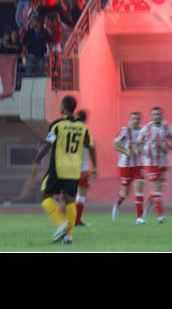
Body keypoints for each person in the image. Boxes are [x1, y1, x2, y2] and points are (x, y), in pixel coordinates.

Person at [29, 95, 96, 244]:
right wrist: (95, 167)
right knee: (70, 199)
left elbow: (47, 144)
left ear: (64, 107)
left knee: (45, 195)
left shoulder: (57, 125)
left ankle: (61, 225)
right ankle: (68, 236)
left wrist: (36, 160)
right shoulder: (82, 127)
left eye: (60, 105)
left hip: (58, 167)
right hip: (74, 169)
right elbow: (91, 146)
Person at [139, 106, 172, 224]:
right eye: (154, 114)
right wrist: (142, 150)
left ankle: (147, 206)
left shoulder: (167, 128)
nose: (157, 116)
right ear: (151, 116)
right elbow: (138, 143)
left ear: (162, 115)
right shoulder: (146, 129)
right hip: (151, 162)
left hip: (164, 162)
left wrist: (167, 146)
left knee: (158, 190)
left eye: (159, 114)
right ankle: (160, 215)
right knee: (157, 190)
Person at [111, 111, 145, 223]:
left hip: (138, 165)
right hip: (125, 166)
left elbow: (145, 144)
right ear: (130, 119)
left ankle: (139, 217)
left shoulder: (143, 131)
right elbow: (115, 145)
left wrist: (140, 150)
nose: (136, 121)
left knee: (139, 189)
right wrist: (125, 151)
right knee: (125, 192)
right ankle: (117, 204)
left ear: (140, 119)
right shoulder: (125, 130)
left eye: (137, 119)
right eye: (134, 119)